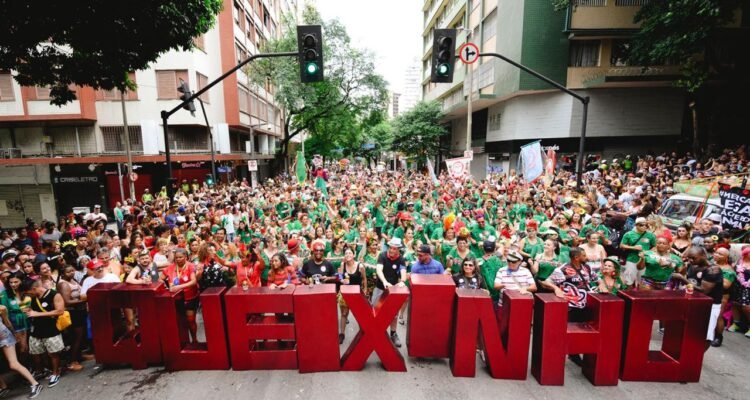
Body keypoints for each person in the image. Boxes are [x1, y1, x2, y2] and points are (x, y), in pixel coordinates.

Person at [22, 278, 65, 388]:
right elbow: (34, 310)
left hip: (51, 329)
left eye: (28, 292)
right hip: (36, 330)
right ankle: (43, 370)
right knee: (35, 352)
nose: (28, 295)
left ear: (34, 289)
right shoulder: (34, 297)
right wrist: (29, 311)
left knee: (53, 353)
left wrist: (37, 314)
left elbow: (60, 311)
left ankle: (55, 373)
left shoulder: (54, 295)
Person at [0, 304, 43, 398]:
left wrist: (14, 333)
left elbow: (6, 321)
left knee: (13, 364)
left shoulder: (2, 308)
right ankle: (3, 387)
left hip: (5, 338)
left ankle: (35, 384)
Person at [160, 248, 199, 343]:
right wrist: (167, 286)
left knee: (190, 320)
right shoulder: (170, 268)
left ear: (186, 257)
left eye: (180, 257)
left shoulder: (191, 266)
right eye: (176, 258)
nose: (178, 259)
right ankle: (183, 341)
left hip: (190, 297)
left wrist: (179, 287)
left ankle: (194, 339)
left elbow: (194, 281)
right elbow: (160, 279)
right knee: (180, 321)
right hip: (176, 299)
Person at [374, 238, 407, 347]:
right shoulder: (382, 255)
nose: (391, 250)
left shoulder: (401, 259)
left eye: (394, 248)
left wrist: (402, 281)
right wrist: (384, 281)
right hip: (380, 288)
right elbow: (379, 269)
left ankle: (393, 334)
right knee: (375, 312)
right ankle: (376, 333)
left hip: (393, 291)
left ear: (398, 250)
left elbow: (403, 272)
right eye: (390, 248)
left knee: (394, 314)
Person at [56, 265, 87, 371]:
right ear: (63, 273)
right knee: (76, 336)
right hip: (73, 313)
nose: (72, 273)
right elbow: (67, 301)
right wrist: (84, 300)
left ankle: (79, 356)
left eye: (72, 270)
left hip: (79, 311)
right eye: (68, 272)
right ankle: (72, 361)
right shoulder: (64, 284)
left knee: (81, 335)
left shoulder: (72, 280)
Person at [337, 247, 365, 344]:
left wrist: (365, 290)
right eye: (346, 253)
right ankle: (342, 334)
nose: (348, 255)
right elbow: (340, 276)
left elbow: (364, 279)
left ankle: (363, 333)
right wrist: (342, 280)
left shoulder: (360, 266)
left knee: (359, 315)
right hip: (345, 293)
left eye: (350, 253)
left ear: (354, 255)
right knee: (344, 314)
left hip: (357, 294)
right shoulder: (342, 264)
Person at [619, 217, 656, 287]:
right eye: (642, 225)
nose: (644, 227)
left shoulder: (651, 235)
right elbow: (622, 245)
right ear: (636, 225)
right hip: (631, 259)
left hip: (644, 261)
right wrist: (633, 247)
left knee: (642, 281)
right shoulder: (629, 234)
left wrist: (647, 252)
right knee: (628, 281)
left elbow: (655, 246)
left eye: (646, 225)